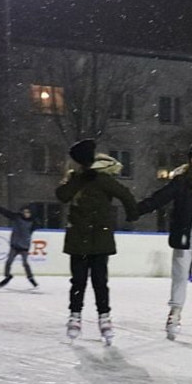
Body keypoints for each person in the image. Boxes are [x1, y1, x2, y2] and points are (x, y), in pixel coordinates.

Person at [136, 143, 192, 340]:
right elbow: (160, 198)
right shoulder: (181, 183)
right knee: (180, 273)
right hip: (184, 231)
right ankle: (174, 315)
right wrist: (139, 209)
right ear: (190, 160)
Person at [55, 139, 139, 341]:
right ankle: (75, 316)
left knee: (100, 281)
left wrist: (132, 212)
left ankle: (104, 317)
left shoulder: (103, 179)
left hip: (100, 239)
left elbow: (124, 194)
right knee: (78, 282)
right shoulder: (75, 179)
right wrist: (79, 179)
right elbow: (62, 195)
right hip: (78, 239)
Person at [0, 204, 39, 288]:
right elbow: (6, 213)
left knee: (25, 263)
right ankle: (7, 276)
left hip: (24, 247)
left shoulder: (32, 223)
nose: (26, 214)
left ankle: (30, 277)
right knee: (8, 262)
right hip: (15, 245)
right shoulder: (17, 218)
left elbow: (37, 226)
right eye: (25, 212)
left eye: (28, 212)